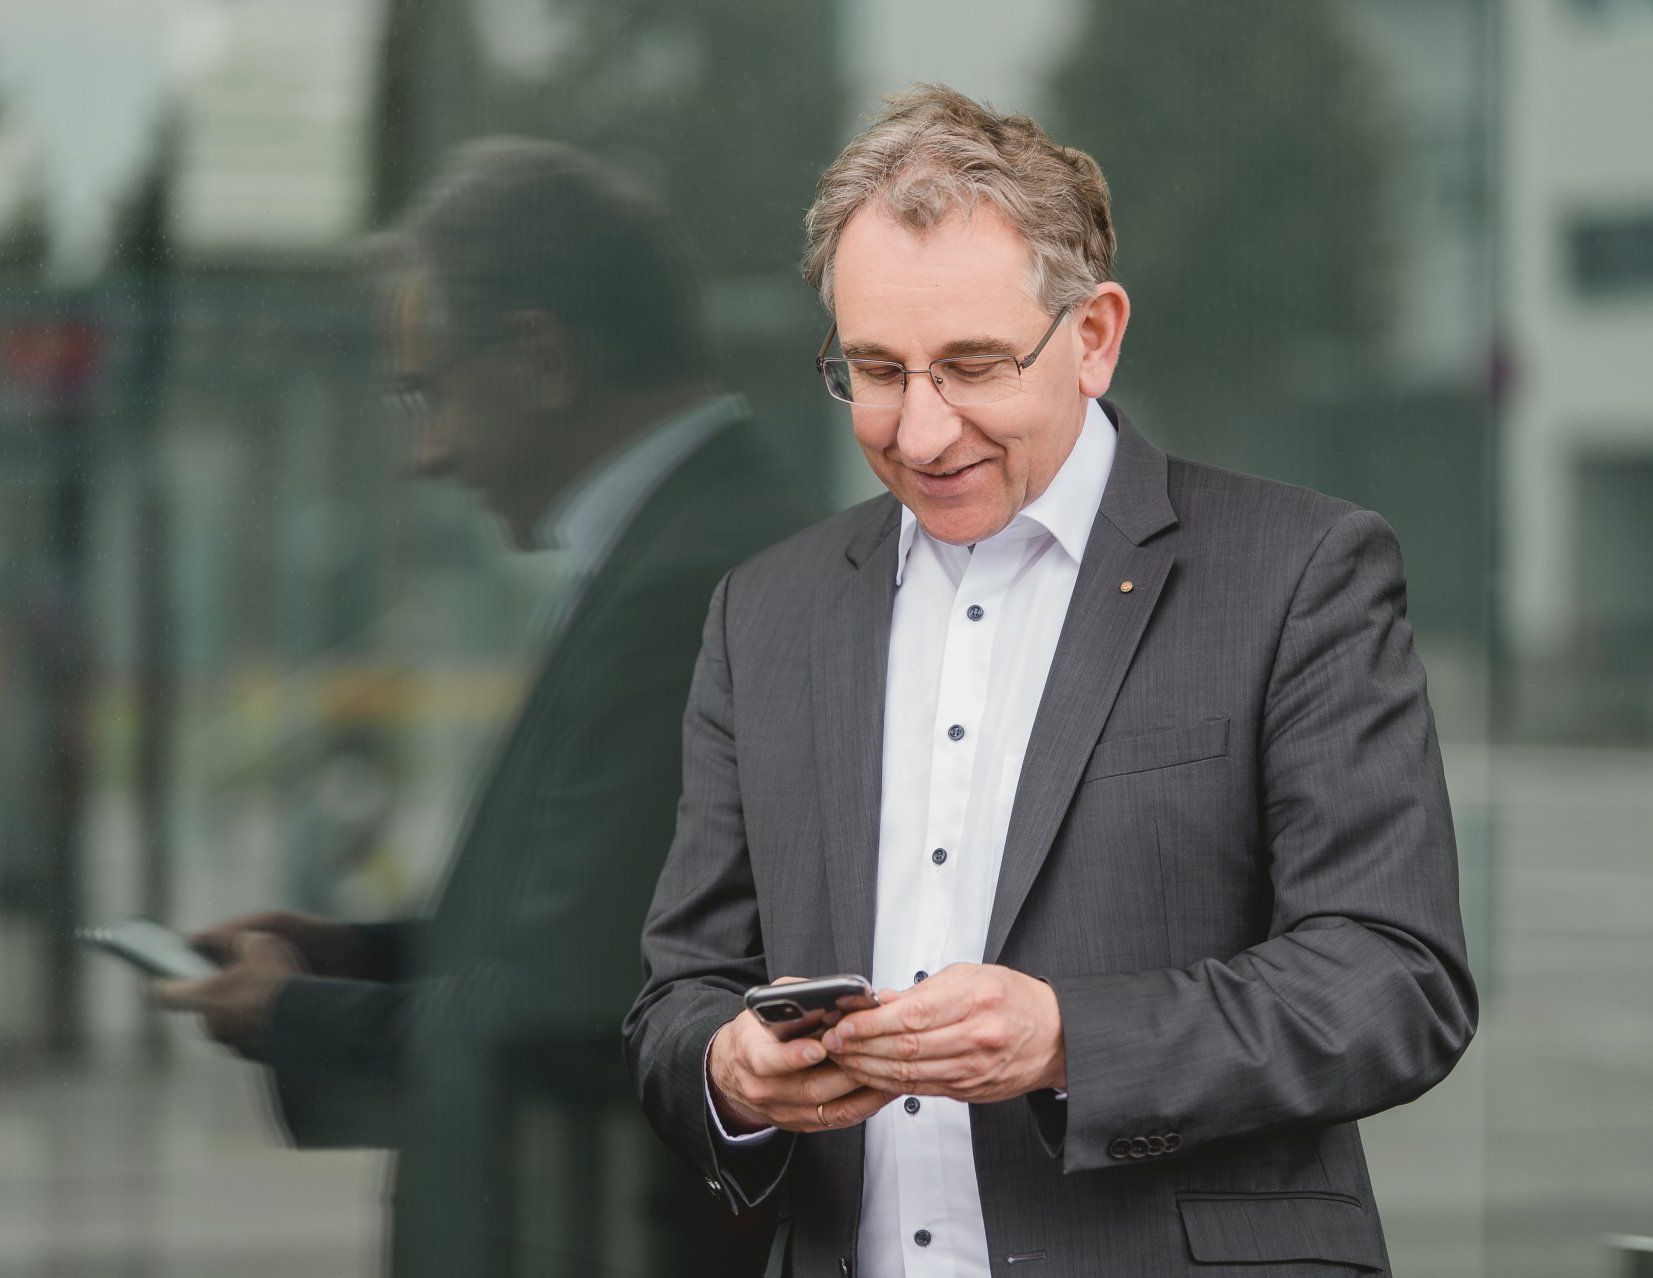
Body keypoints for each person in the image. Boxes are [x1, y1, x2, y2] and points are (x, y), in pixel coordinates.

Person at [624, 85, 1478, 1277]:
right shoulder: (762, 613)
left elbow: (1395, 980)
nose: (922, 432)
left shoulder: (1299, 573)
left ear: (1094, 336)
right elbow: (678, 998)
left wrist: (1071, 1039)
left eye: (972, 366)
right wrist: (731, 1069)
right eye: (877, 371)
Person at [155, 138, 823, 1277]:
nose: (424, 455)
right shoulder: (692, 544)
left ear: (540, 360)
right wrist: (353, 958)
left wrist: (297, 1019)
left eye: (428, 394)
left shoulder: (685, 585)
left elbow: (587, 1008)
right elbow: (600, 930)